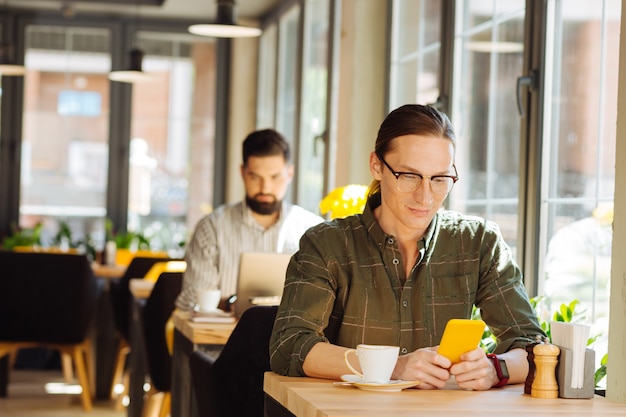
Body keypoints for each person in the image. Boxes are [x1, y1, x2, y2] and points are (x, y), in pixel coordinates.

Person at [269, 104, 546, 390]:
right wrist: (394, 367)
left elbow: (534, 348)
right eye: (410, 176)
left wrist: (494, 368)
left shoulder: (478, 243)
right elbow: (290, 345)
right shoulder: (326, 245)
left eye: (439, 179)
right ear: (377, 166)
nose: (425, 196)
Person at [175, 128, 324, 311]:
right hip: (223, 338)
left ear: (290, 174)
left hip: (287, 338)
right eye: (255, 177)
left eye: (275, 177)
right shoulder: (212, 228)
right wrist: (231, 304)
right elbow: (193, 299)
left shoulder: (312, 229)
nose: (265, 187)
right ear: (243, 173)